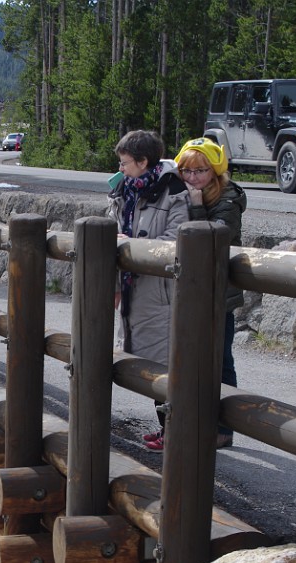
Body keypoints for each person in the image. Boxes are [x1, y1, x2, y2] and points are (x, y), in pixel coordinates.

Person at [108, 130, 191, 452]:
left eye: (126, 162)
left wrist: (131, 245)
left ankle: (175, 432)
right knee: (146, 360)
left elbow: (176, 239)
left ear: (143, 162)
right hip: (131, 290)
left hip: (158, 293)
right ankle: (168, 429)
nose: (122, 168)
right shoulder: (123, 191)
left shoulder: (173, 191)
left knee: (163, 363)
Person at [174, 137, 247, 449]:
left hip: (219, 295)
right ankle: (190, 421)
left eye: (200, 171)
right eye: (186, 171)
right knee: (188, 357)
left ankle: (223, 428)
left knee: (220, 360)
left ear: (215, 171)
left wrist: (196, 207)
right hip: (191, 292)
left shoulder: (228, 200)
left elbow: (213, 240)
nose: (193, 178)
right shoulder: (184, 193)